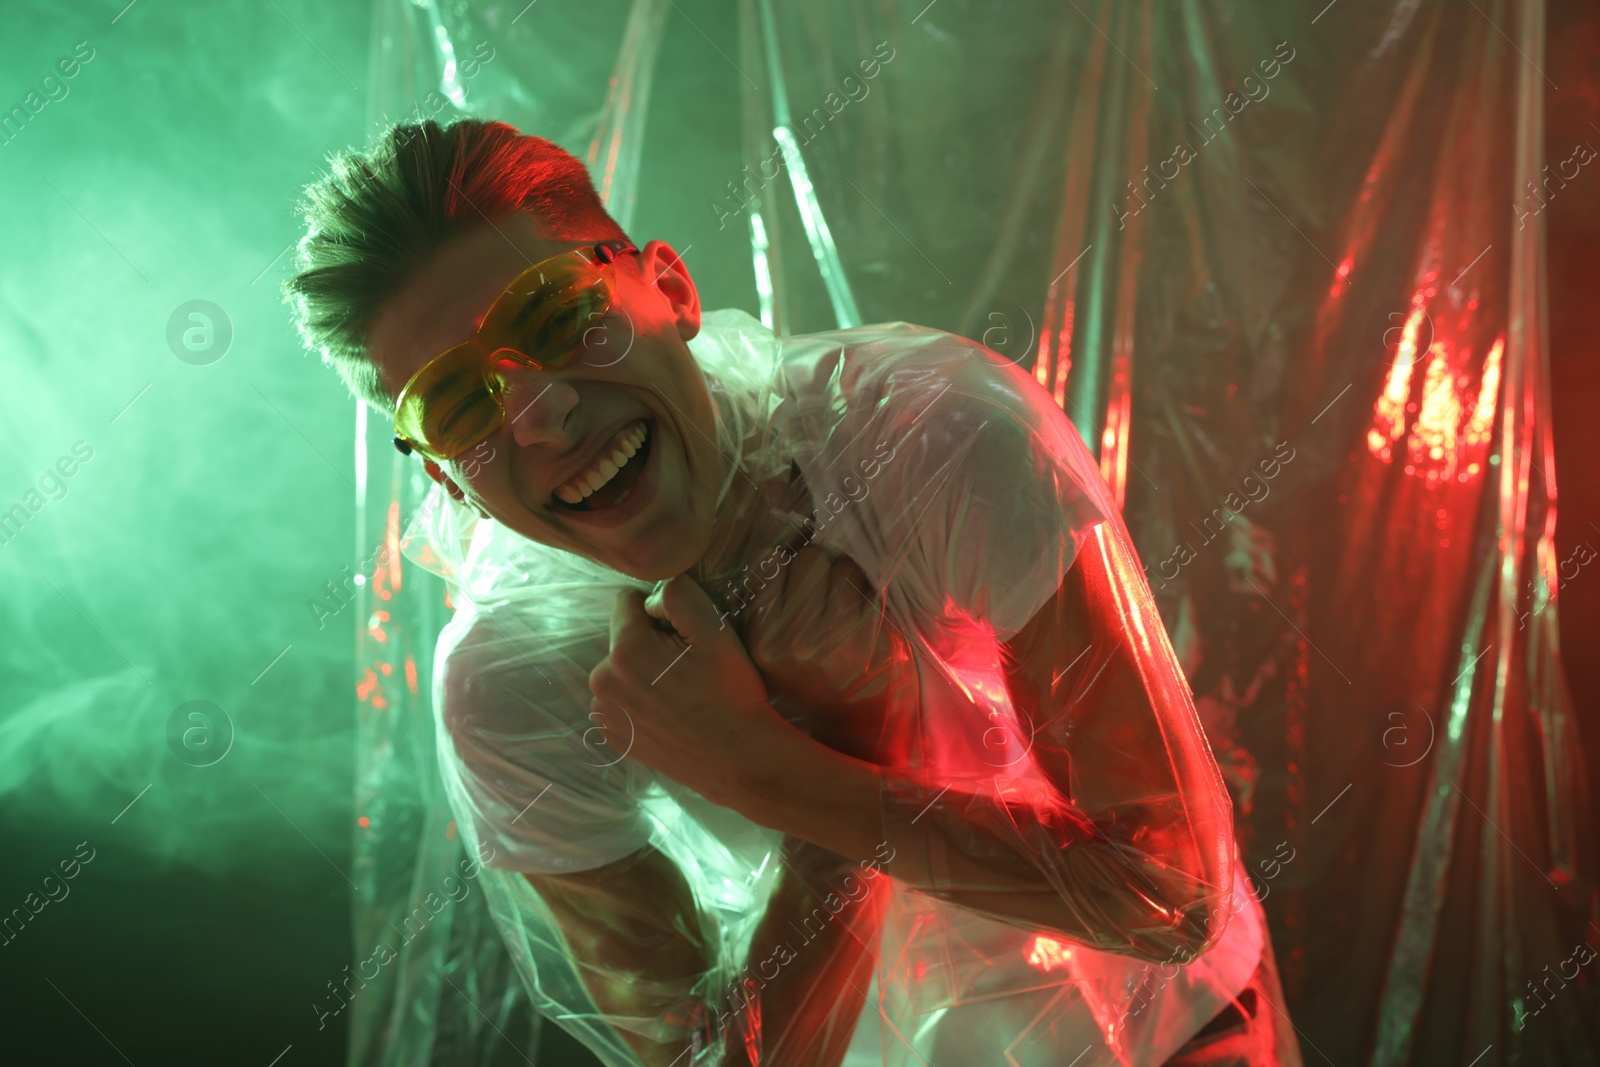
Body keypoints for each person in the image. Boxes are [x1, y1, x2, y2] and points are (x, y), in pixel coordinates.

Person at [284, 118, 1302, 1067]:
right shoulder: (513, 682)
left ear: (670, 289)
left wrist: (767, 770)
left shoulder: (932, 441)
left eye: (559, 315)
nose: (542, 413)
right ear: (443, 474)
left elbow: (1167, 897)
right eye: (461, 399)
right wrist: (839, 758)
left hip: (1183, 1034)